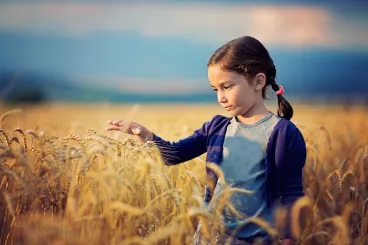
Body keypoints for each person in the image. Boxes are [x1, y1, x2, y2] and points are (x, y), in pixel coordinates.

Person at [106, 36, 306, 245]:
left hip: (256, 240)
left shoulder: (283, 133)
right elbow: (173, 155)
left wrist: (288, 239)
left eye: (227, 87)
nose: (220, 97)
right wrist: (143, 134)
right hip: (210, 235)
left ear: (258, 81)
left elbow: (292, 194)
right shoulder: (217, 128)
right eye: (215, 90)